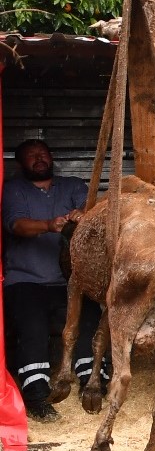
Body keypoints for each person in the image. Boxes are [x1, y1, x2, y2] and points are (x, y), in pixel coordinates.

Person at [3, 139, 104, 422]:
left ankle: (93, 383)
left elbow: (95, 213)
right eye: (32, 156)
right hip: (26, 280)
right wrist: (49, 225)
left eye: (43, 154)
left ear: (52, 158)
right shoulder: (13, 189)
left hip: (70, 280)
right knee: (32, 328)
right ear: (21, 163)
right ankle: (37, 396)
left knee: (89, 322)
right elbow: (16, 224)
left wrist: (84, 215)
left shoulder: (72, 185)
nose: (39, 159)